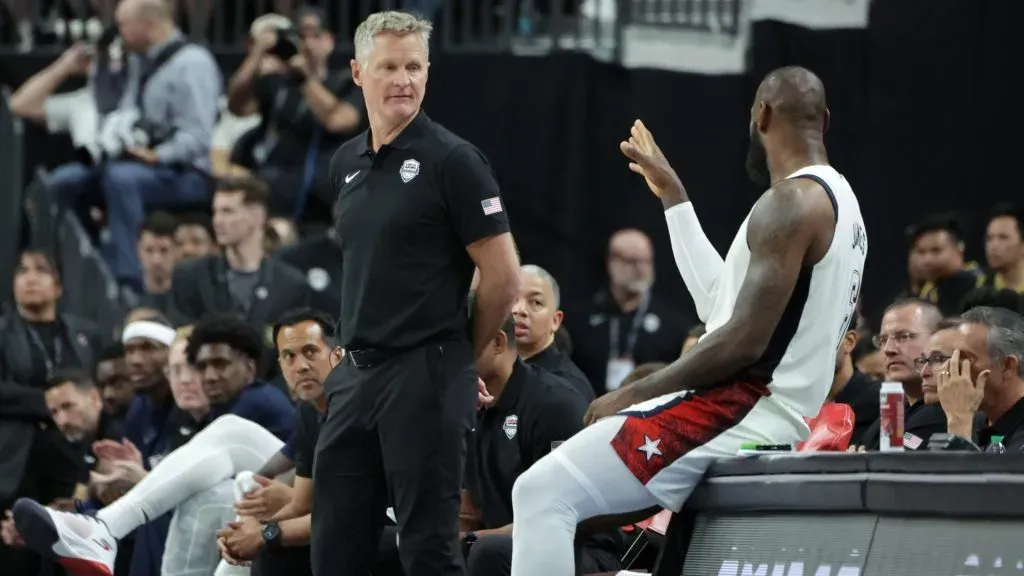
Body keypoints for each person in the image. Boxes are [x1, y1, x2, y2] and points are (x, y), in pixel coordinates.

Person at [506, 66, 868, 575]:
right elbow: (721, 306)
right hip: (770, 409)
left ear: (760, 115)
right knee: (551, 496)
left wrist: (637, 392)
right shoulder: (845, 206)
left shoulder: (789, 203)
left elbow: (741, 343)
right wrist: (673, 195)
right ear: (824, 121)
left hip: (743, 406)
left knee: (541, 493)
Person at [315, 10, 520, 576]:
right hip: (356, 375)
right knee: (334, 550)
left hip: (425, 372)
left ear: (428, 72)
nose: (403, 79)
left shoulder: (454, 161)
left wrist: (461, 354)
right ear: (358, 72)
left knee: (428, 550)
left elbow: (503, 276)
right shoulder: (345, 162)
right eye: (389, 67)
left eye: (414, 66)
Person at [10, 316, 296, 575]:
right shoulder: (194, 414)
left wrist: (141, 479)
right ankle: (101, 528)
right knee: (205, 498)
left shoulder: (258, 400)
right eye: (201, 366)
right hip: (282, 498)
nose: (207, 376)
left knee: (227, 438)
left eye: (219, 365)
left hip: (308, 496)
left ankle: (103, 528)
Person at [216, 309, 343, 576]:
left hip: (397, 527)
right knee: (267, 550)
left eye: (311, 352)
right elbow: (301, 505)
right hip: (343, 524)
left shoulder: (356, 411)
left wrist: (264, 533)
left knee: (283, 549)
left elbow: (343, 518)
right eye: (289, 357)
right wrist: (243, 534)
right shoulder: (309, 412)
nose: (301, 366)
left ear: (338, 355)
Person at [514, 265, 594, 401]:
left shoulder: (567, 388)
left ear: (555, 320)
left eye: (536, 302)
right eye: (512, 299)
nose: (519, 309)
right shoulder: (487, 372)